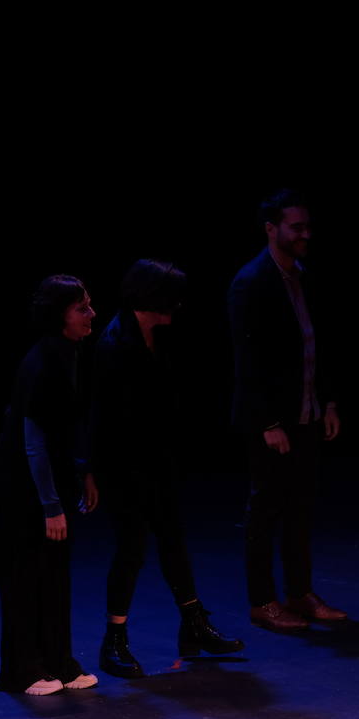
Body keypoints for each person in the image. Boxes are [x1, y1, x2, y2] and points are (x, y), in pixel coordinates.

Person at [93, 260, 243, 678]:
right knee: (131, 550)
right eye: (172, 296)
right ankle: (114, 640)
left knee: (174, 540)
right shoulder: (115, 342)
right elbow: (108, 418)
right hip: (124, 467)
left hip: (156, 461)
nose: (178, 305)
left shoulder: (159, 336)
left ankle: (194, 625)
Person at [228, 190, 346, 632]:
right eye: (296, 227)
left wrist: (328, 401)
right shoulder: (251, 282)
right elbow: (248, 363)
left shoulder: (303, 276)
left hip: (307, 413)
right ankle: (262, 600)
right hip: (271, 422)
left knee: (300, 508)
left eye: (306, 227)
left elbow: (319, 343)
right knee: (266, 508)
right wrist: (269, 423)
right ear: (271, 228)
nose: (304, 234)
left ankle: (299, 592)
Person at [0, 276, 100, 695]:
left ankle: (59, 660)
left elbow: (69, 426)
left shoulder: (71, 353)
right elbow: (33, 442)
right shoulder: (41, 362)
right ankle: (22, 669)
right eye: (82, 308)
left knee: (55, 571)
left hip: (50, 478)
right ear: (60, 316)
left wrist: (85, 472)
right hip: (23, 484)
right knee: (26, 574)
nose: (91, 315)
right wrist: (51, 505)